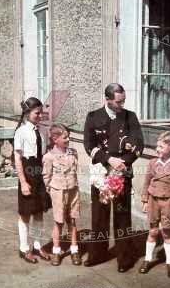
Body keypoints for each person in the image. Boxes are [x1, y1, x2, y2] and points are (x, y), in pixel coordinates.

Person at [83, 83, 144, 272]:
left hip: (122, 173)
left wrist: (122, 163)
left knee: (122, 216)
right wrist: (109, 159)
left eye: (123, 100)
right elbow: (89, 145)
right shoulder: (93, 117)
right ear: (107, 99)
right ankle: (97, 254)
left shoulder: (130, 117)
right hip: (101, 174)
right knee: (99, 216)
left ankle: (125, 258)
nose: (122, 104)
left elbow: (139, 145)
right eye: (118, 101)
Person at [139, 131, 170, 278]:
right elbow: (147, 182)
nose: (157, 149)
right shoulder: (153, 163)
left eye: (161, 146)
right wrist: (145, 200)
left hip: (167, 203)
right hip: (153, 201)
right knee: (153, 231)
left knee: (166, 232)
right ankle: (147, 260)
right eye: (157, 146)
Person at [13, 97, 52, 264]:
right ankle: (24, 248)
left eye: (41, 112)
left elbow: (45, 153)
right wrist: (23, 182)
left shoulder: (42, 131)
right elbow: (17, 158)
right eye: (37, 113)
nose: (40, 115)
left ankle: (37, 245)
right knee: (25, 213)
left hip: (40, 172)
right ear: (28, 113)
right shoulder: (21, 131)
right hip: (28, 172)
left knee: (39, 212)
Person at [42, 124, 82, 266]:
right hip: (58, 192)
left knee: (72, 220)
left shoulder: (73, 152)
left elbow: (75, 170)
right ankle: (57, 250)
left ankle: (74, 249)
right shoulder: (49, 157)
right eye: (65, 137)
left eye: (68, 136)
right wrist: (51, 191)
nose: (68, 139)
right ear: (55, 138)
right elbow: (46, 177)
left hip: (73, 190)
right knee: (58, 222)